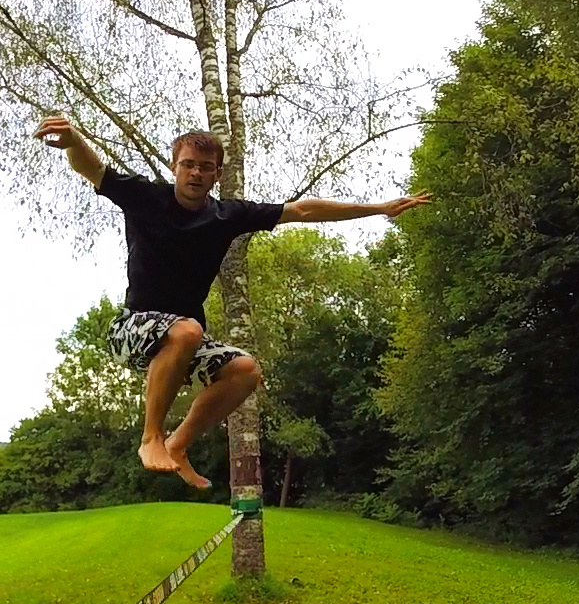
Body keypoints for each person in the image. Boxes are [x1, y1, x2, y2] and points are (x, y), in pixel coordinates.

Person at [37, 116, 430, 489]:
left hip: (182, 340)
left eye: (205, 168)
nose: (195, 174)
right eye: (188, 165)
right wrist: (74, 140)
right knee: (188, 330)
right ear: (175, 167)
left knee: (245, 370)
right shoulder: (145, 197)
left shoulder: (227, 215)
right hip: (132, 329)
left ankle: (177, 444)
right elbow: (93, 168)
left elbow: (303, 210)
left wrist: (379, 208)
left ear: (216, 175)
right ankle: (151, 436)